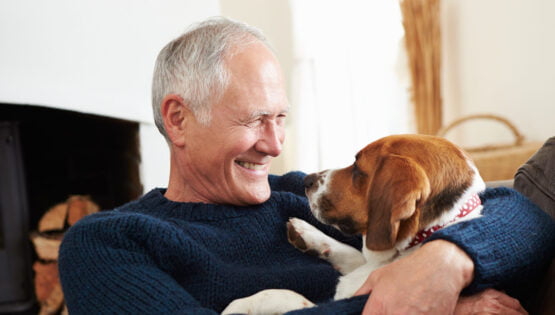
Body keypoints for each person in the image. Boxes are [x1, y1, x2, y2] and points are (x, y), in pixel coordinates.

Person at [59, 17, 555, 314]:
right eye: (255, 120)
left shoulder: (298, 197)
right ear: (179, 119)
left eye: (281, 119)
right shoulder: (107, 243)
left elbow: (523, 216)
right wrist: (431, 306)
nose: (274, 144)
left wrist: (445, 263)